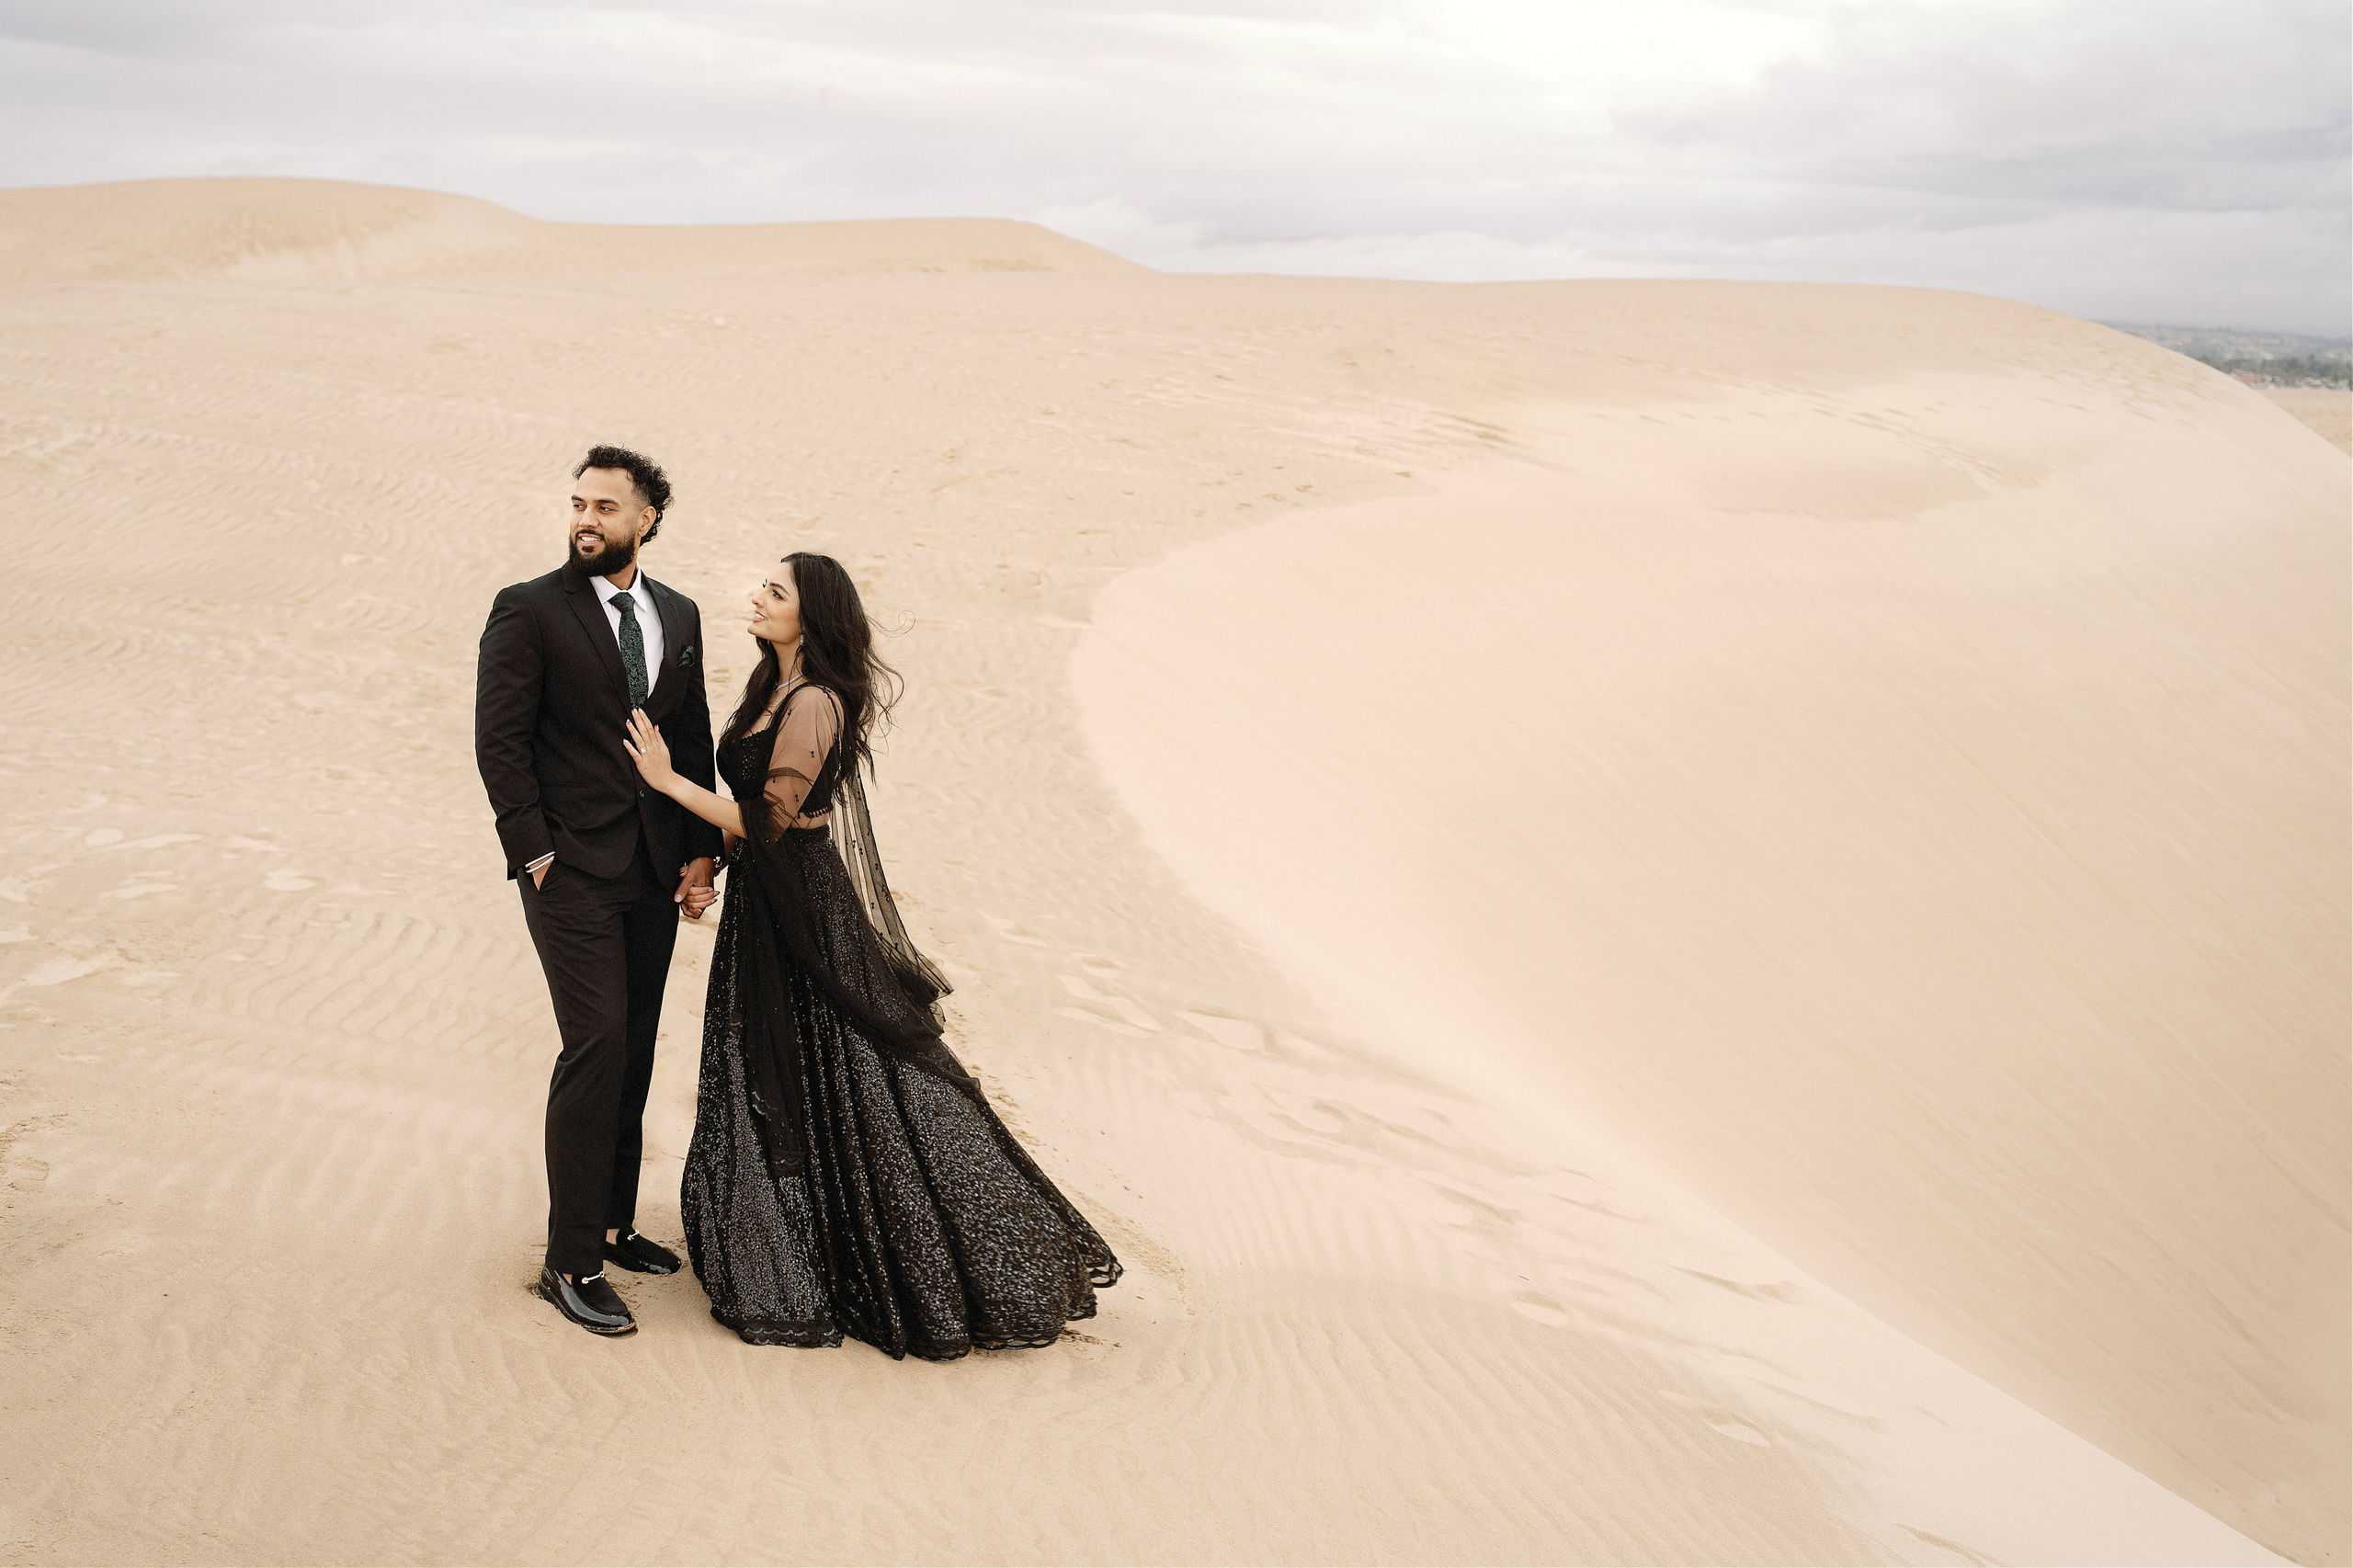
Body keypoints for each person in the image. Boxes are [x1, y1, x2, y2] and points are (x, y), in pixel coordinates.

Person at [621, 551, 1120, 1358]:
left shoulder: (816, 700)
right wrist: (709, 861)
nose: (757, 598)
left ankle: (944, 1246)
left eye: (775, 591)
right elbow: (749, 810)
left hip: (806, 907)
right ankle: (797, 1236)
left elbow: (775, 818)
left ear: (810, 616)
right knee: (778, 1063)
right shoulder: (771, 687)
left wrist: (668, 782)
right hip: (763, 903)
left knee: (852, 1065)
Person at [474, 445, 722, 1337]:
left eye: (605, 507)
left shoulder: (679, 614)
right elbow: (499, 741)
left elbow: (691, 735)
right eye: (579, 503)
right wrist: (533, 853)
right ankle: (570, 1258)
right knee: (596, 1043)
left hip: (654, 870)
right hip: (568, 870)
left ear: (645, 519)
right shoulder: (529, 608)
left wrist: (702, 854)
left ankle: (614, 1224)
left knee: (637, 1044)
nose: (585, 519)